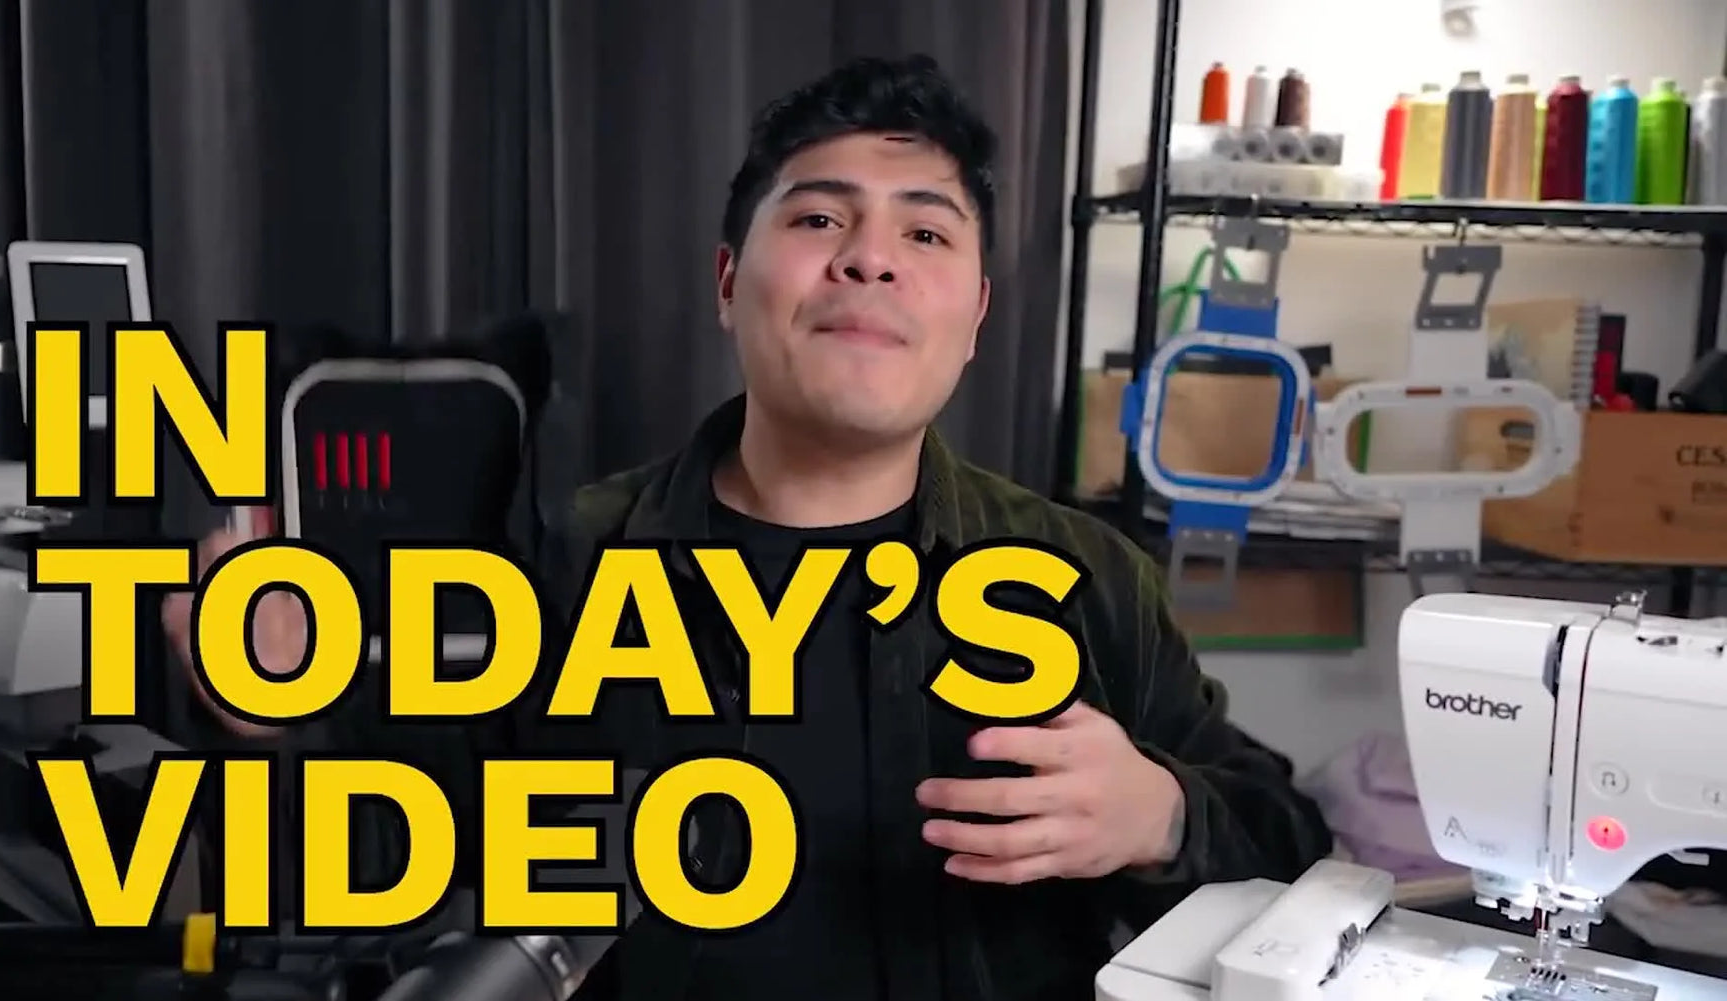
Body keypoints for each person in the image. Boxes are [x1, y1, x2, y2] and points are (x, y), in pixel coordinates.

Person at [163, 54, 1333, 1001]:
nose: (869, 256)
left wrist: (1157, 811)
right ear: (729, 280)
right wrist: (276, 710)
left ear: (974, 316)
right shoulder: (564, 564)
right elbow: (401, 836)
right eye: (820, 215)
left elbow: (1291, 838)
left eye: (925, 234)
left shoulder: (1082, 581)